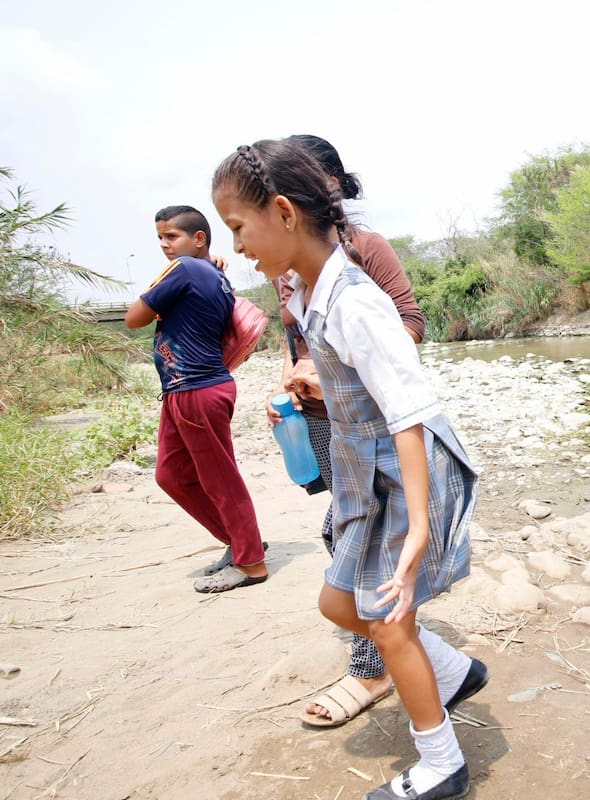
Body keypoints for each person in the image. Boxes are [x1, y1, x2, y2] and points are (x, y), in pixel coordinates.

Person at [213, 139, 476, 800]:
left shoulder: (357, 300)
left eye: (239, 227)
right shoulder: (306, 287)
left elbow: (408, 413)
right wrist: (304, 388)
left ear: (283, 212)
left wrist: (419, 525)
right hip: (364, 467)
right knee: (339, 601)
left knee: (388, 621)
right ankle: (451, 668)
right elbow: (349, 382)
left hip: (401, 471)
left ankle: (441, 762)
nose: (239, 245)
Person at [268, 135, 485, 730]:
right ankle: (434, 665)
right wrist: (294, 379)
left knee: (349, 546)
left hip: (376, 430)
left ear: (323, 190)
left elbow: (406, 329)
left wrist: (342, 367)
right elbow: (298, 338)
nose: (243, 243)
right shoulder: (291, 269)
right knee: (340, 542)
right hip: (326, 422)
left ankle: (374, 667)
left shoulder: (360, 259)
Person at [125, 206, 267, 593]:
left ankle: (250, 562)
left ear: (199, 238)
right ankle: (240, 542)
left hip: (198, 387)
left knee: (221, 481)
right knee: (170, 475)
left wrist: (169, 274)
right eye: (160, 238)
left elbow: (133, 317)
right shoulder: (211, 272)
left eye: (171, 237)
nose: (163, 245)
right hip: (182, 389)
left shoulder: (186, 270)